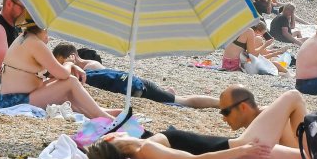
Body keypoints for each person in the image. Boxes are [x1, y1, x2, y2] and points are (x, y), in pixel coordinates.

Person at [86, 90, 310, 159]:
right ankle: (309, 146)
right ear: (111, 136)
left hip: (242, 150)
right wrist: (241, 151)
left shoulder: (145, 144)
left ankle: (311, 151)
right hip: (241, 152)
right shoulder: (145, 150)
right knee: (293, 97)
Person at [52, 43, 218, 108]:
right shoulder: (89, 66)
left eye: (61, 62)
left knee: (185, 102)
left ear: (70, 56)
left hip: (140, 86)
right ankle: (168, 92)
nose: (61, 67)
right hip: (138, 85)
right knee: (170, 98)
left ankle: (220, 103)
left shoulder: (90, 66)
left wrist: (69, 65)